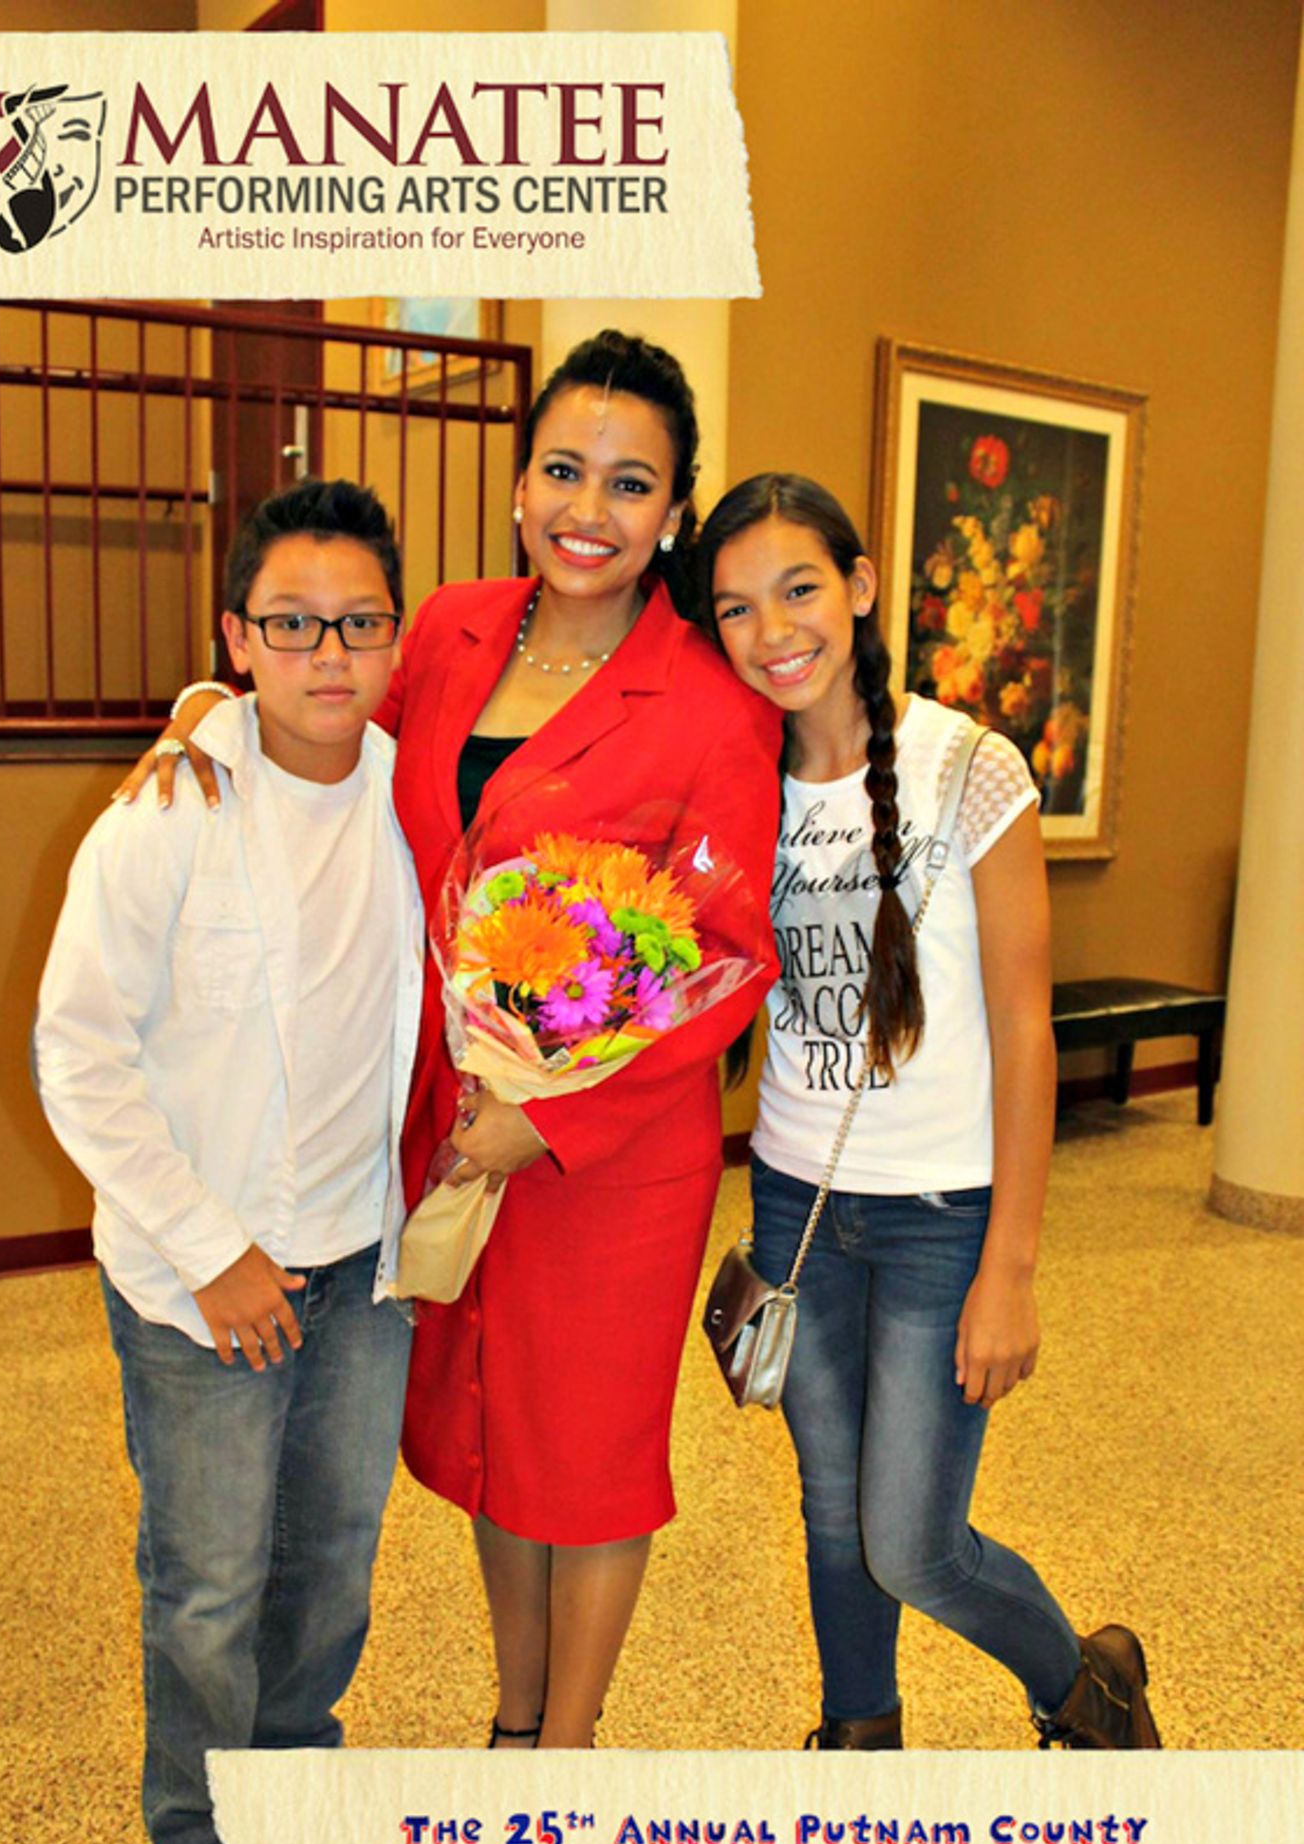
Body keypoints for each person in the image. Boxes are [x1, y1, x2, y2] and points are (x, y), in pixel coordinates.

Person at [117, 334, 782, 1753]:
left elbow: (726, 957)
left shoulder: (713, 701)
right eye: (561, 469)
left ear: (675, 510)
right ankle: (511, 1716)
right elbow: (326, 723)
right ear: (521, 478)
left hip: (607, 1160)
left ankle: (567, 1755)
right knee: (490, 1437)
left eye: (629, 482)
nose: (586, 509)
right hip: (447, 1123)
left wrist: (552, 1117)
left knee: (588, 1461)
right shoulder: (459, 629)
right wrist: (202, 714)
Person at [695, 472, 1161, 1752]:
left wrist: (1009, 1263)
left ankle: (1088, 1684)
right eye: (734, 608)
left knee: (910, 1542)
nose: (771, 630)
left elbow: (1023, 1028)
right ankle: (860, 1737)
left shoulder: (969, 768)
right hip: (793, 1203)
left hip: (939, 1219)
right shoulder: (734, 773)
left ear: (856, 588)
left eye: (797, 589)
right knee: (829, 1510)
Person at [35, 479, 424, 1844]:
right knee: (206, 1578)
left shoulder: (415, 788)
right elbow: (79, 1055)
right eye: (291, 625)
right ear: (238, 638)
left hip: (363, 1259)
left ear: (395, 638)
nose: (329, 653)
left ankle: (289, 1793)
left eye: (359, 624)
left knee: (329, 1565)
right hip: (200, 1274)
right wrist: (209, 1250)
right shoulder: (169, 810)